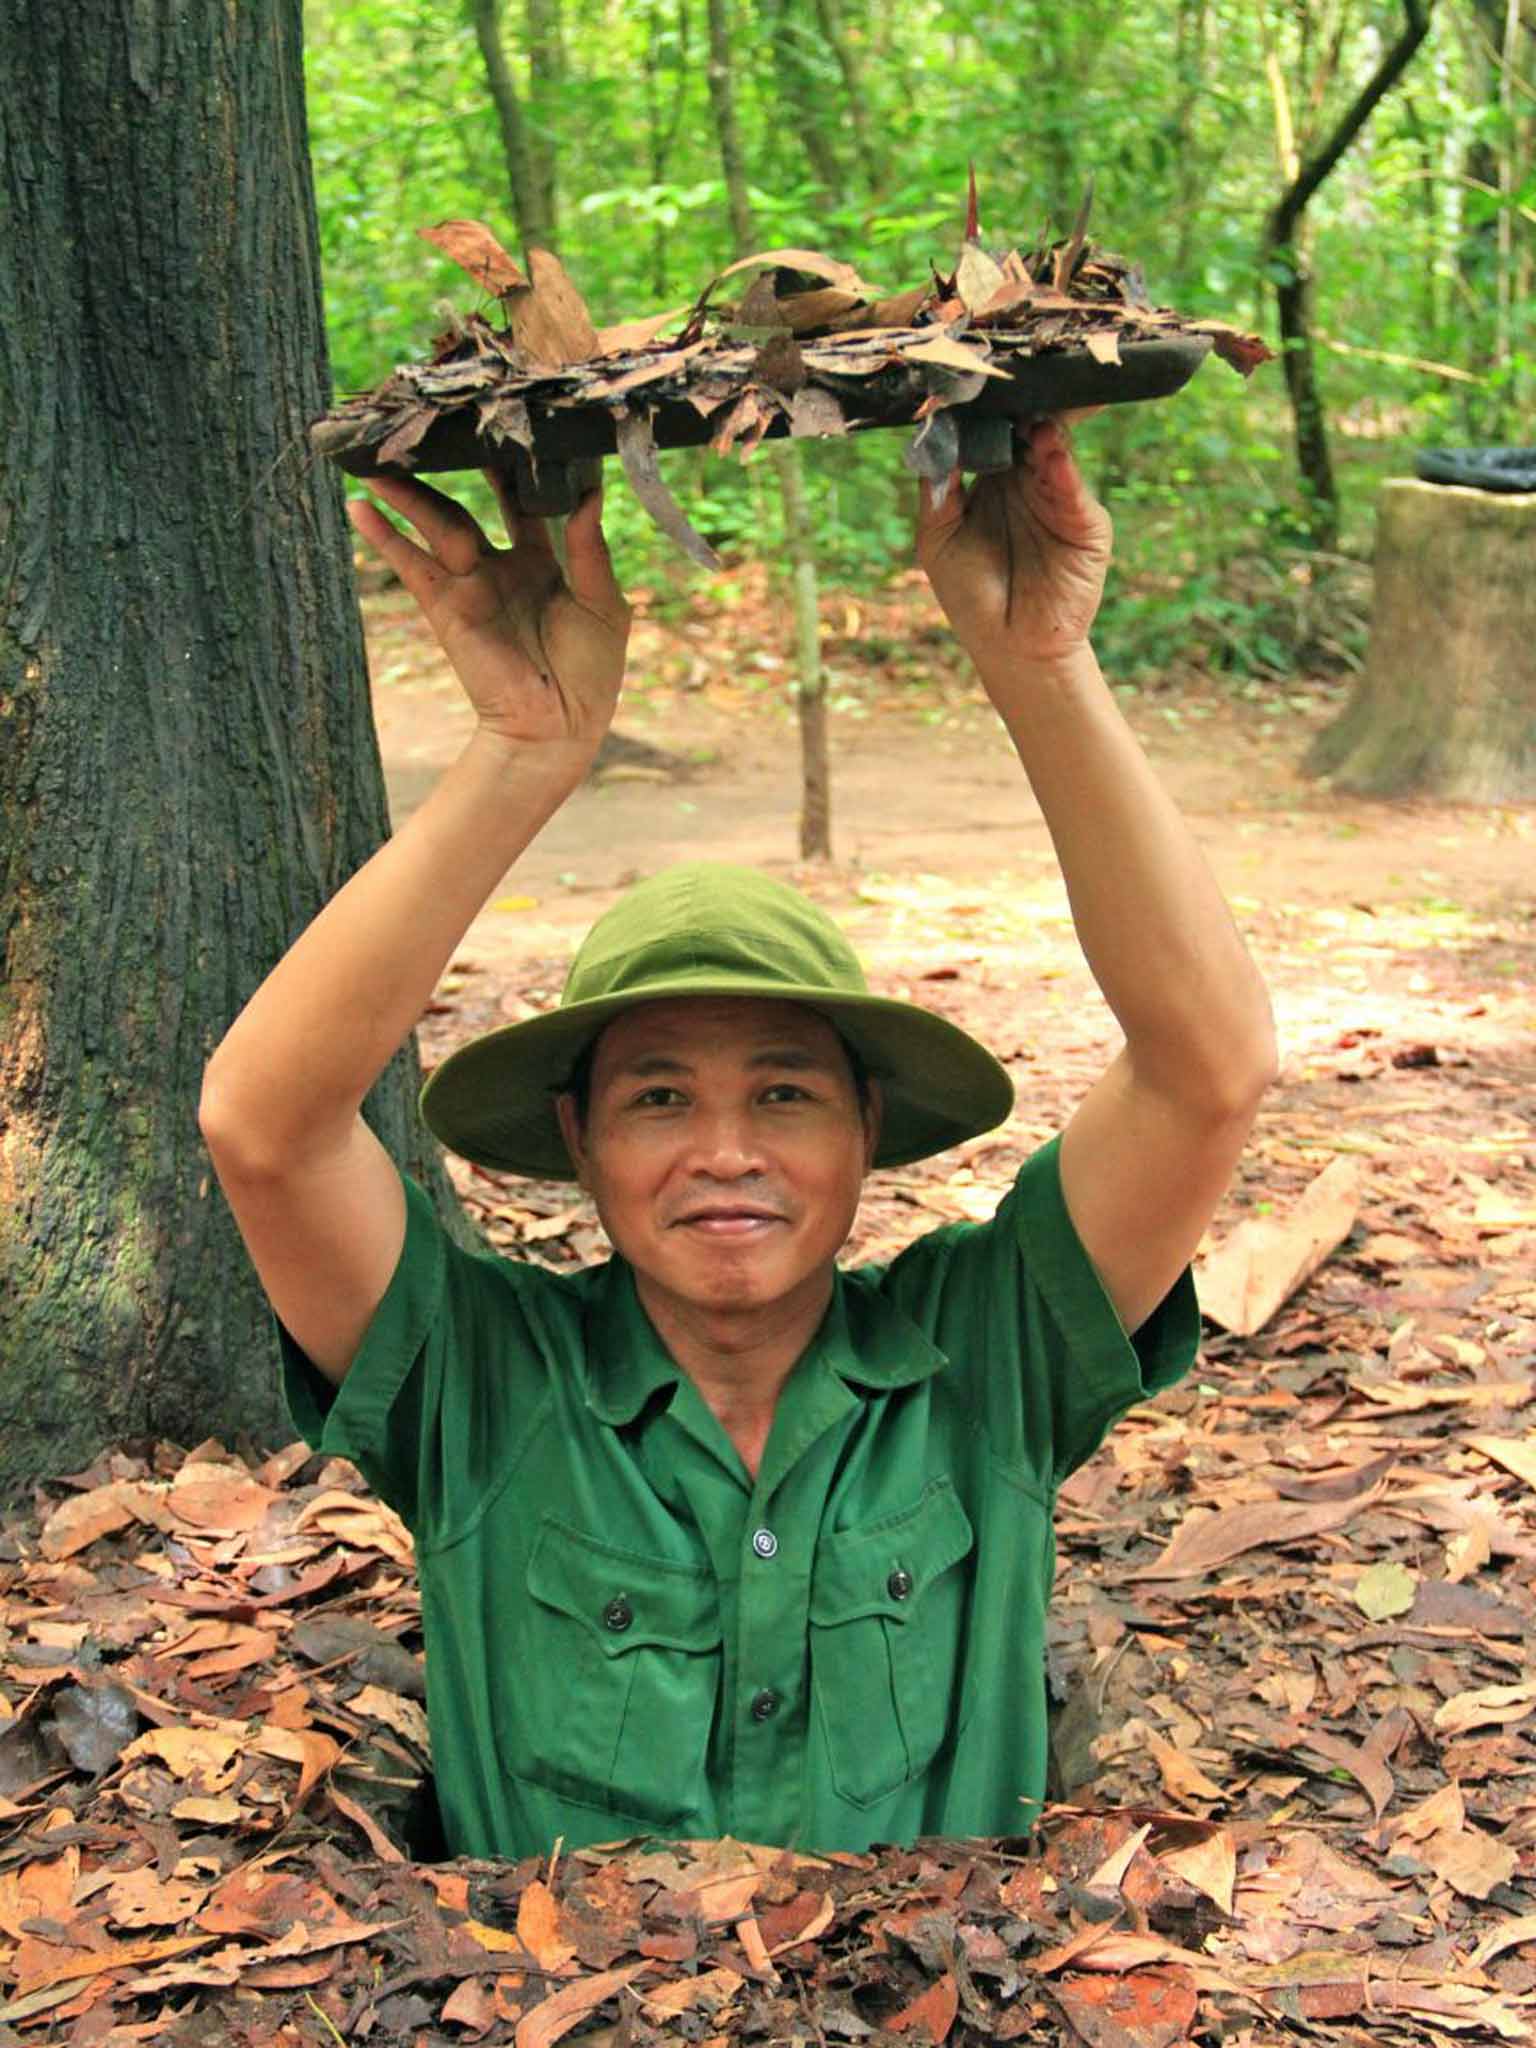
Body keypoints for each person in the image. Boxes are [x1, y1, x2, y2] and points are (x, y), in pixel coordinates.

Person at [200, 419, 1275, 1859]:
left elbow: (1209, 1073)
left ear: (865, 1129)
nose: (724, 1151)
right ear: (575, 1137)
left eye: (784, 1093)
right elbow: (261, 1127)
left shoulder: (986, 1353)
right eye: (658, 1098)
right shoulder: (482, 1379)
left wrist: (1042, 669)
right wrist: (526, 752)